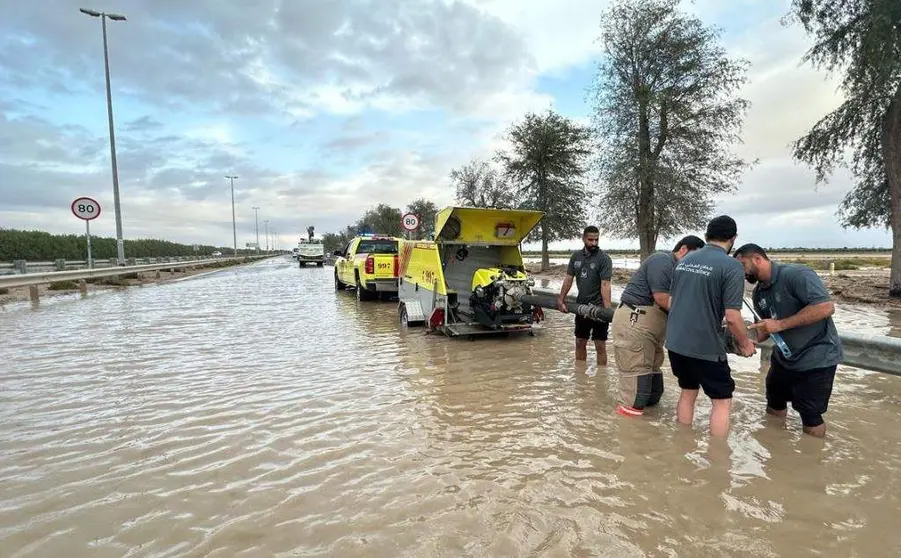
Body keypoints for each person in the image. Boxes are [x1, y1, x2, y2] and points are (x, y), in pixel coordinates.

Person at [733, 243, 843, 437]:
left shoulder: (796, 274)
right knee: (774, 406)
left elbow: (826, 307)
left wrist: (780, 325)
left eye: (742, 265)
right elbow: (764, 331)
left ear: (757, 258)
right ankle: (776, 452)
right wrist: (739, 332)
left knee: (811, 416)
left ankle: (812, 458)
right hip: (784, 359)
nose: (740, 271)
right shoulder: (758, 293)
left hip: (816, 357)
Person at [664, 215, 756, 437]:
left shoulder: (684, 261)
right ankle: (718, 458)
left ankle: (683, 444)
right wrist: (745, 344)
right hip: (705, 346)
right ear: (733, 238)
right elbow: (733, 317)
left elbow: (672, 302)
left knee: (687, 392)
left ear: (706, 236)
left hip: (676, 342)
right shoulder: (732, 266)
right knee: (722, 401)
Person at [612, 235, 707, 417]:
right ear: (684, 250)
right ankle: (628, 435)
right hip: (635, 322)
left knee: (653, 389)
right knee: (636, 389)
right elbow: (662, 298)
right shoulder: (662, 261)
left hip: (652, 329)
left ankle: (650, 435)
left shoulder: (679, 270)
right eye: (695, 257)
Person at [557, 226, 613, 364]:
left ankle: (601, 378)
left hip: (599, 308)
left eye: (596, 240)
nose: (594, 243)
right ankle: (580, 377)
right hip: (581, 306)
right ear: (583, 239)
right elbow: (568, 278)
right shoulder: (576, 256)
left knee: (600, 345)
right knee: (579, 342)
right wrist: (561, 300)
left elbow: (605, 285)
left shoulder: (604, 259)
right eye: (590, 240)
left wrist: (607, 312)